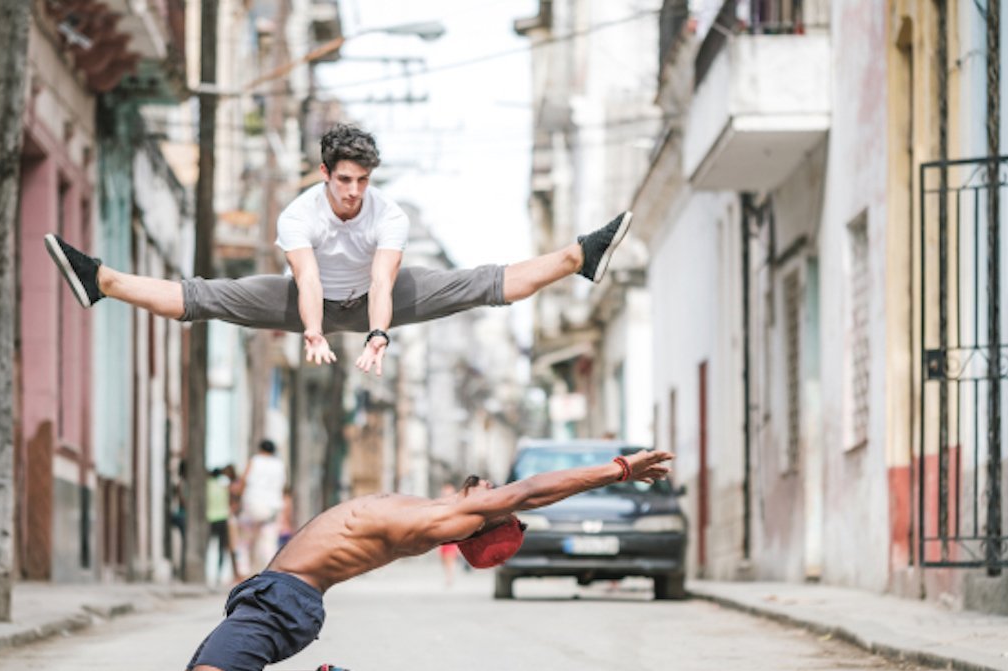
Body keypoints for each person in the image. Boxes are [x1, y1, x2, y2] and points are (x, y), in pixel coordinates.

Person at [169, 448, 673, 671]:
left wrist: (621, 470)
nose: (495, 488)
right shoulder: (443, 508)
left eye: (499, 501)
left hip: (281, 599)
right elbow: (521, 496)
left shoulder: (454, 518)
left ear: (487, 521)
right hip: (272, 593)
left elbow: (533, 491)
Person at [44, 123, 633, 377]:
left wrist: (378, 335)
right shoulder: (298, 213)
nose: (353, 192)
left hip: (383, 297)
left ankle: (580, 257)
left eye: (362, 181)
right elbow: (304, 279)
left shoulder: (389, 215)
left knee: (479, 283)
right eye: (344, 180)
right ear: (326, 173)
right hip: (311, 299)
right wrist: (315, 332)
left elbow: (382, 282)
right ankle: (103, 280)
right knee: (208, 296)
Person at [238, 440, 287, 574]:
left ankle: (243, 571)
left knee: (245, 541)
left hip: (252, 504)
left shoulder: (255, 460)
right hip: (272, 507)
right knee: (268, 542)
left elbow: (243, 481)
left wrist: (237, 498)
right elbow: (282, 486)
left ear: (260, 449)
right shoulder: (279, 465)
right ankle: (269, 572)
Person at [206, 467, 237, 584]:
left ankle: (209, 574)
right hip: (223, 518)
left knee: (208, 547)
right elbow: (232, 499)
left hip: (209, 518)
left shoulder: (207, 485)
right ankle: (219, 574)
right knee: (221, 548)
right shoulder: (224, 486)